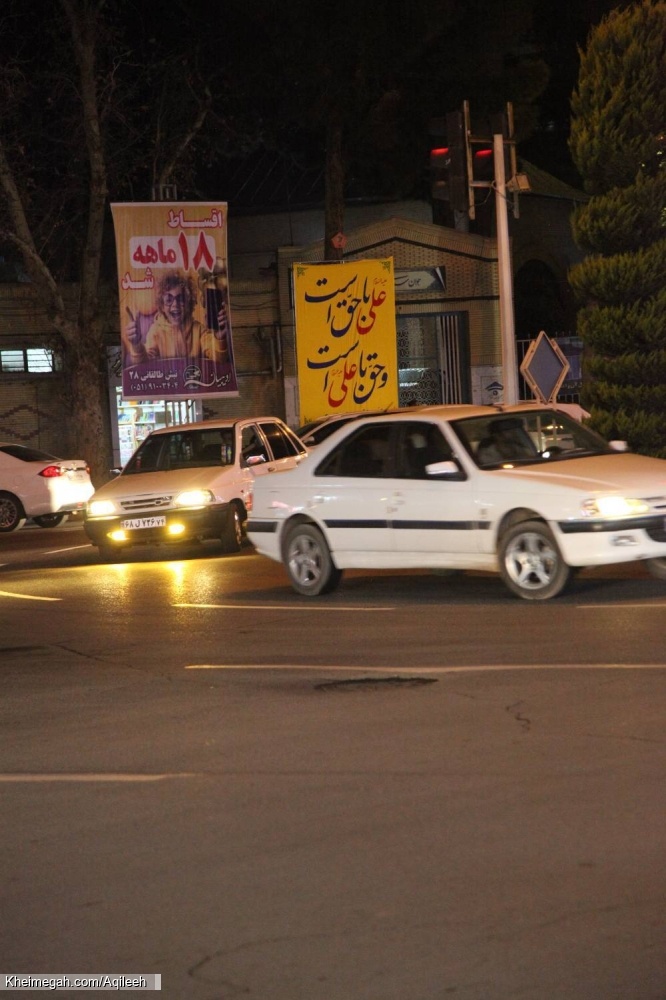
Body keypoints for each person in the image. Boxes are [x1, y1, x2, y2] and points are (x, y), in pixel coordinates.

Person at [122, 269, 229, 365]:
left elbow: (219, 361)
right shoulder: (156, 331)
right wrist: (136, 344)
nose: (175, 305)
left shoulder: (199, 330)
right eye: (169, 299)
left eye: (180, 299)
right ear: (162, 306)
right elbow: (144, 365)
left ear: (188, 303)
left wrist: (219, 338)